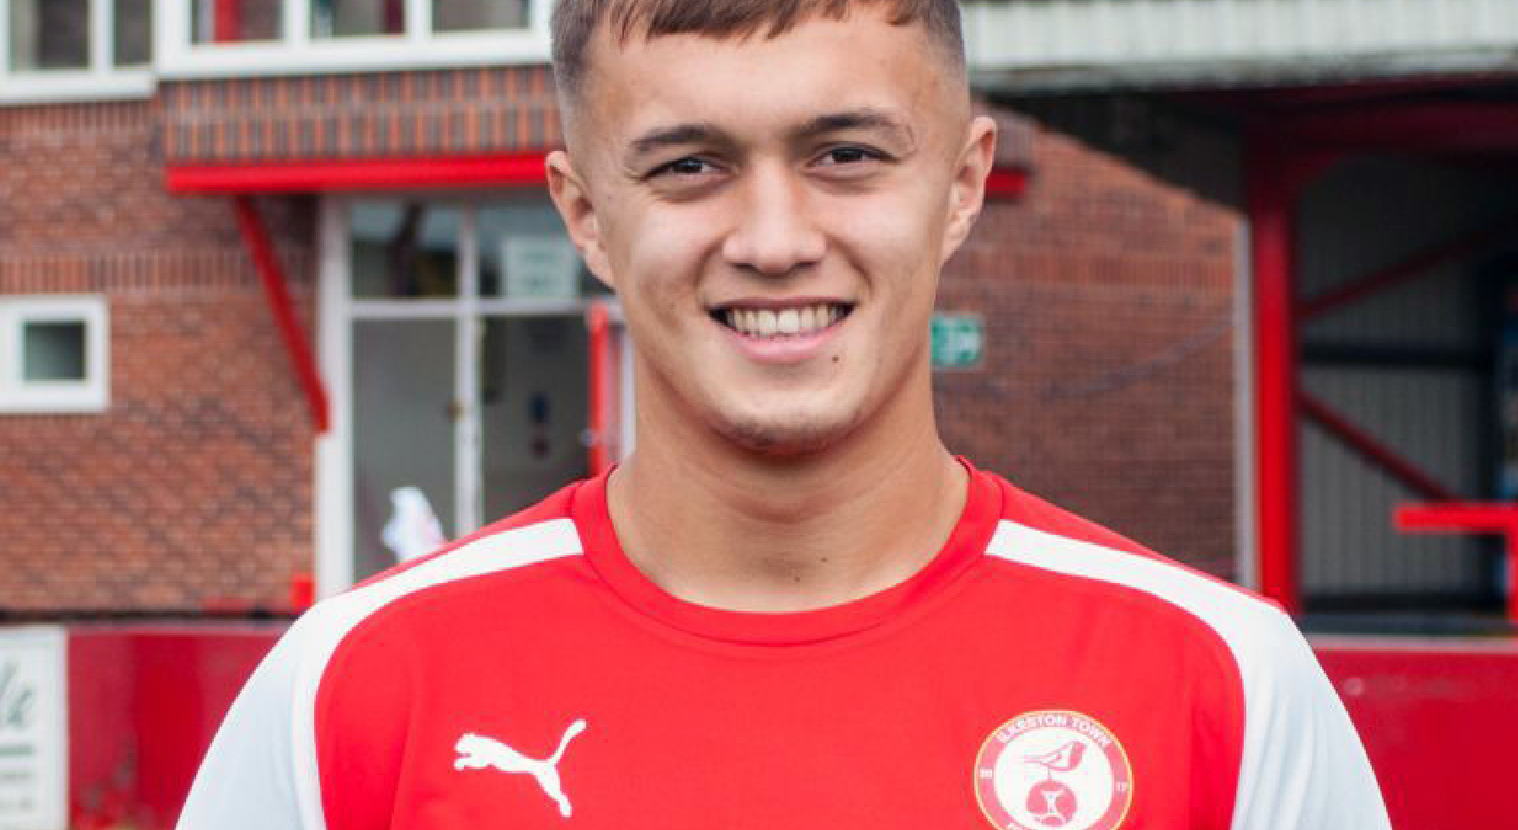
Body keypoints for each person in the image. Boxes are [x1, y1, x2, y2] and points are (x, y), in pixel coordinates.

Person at [177, 0, 1392, 827]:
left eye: (845, 154)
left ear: (961, 183)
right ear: (585, 213)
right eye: (689, 165)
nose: (772, 239)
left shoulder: (1219, 683)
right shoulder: (354, 691)